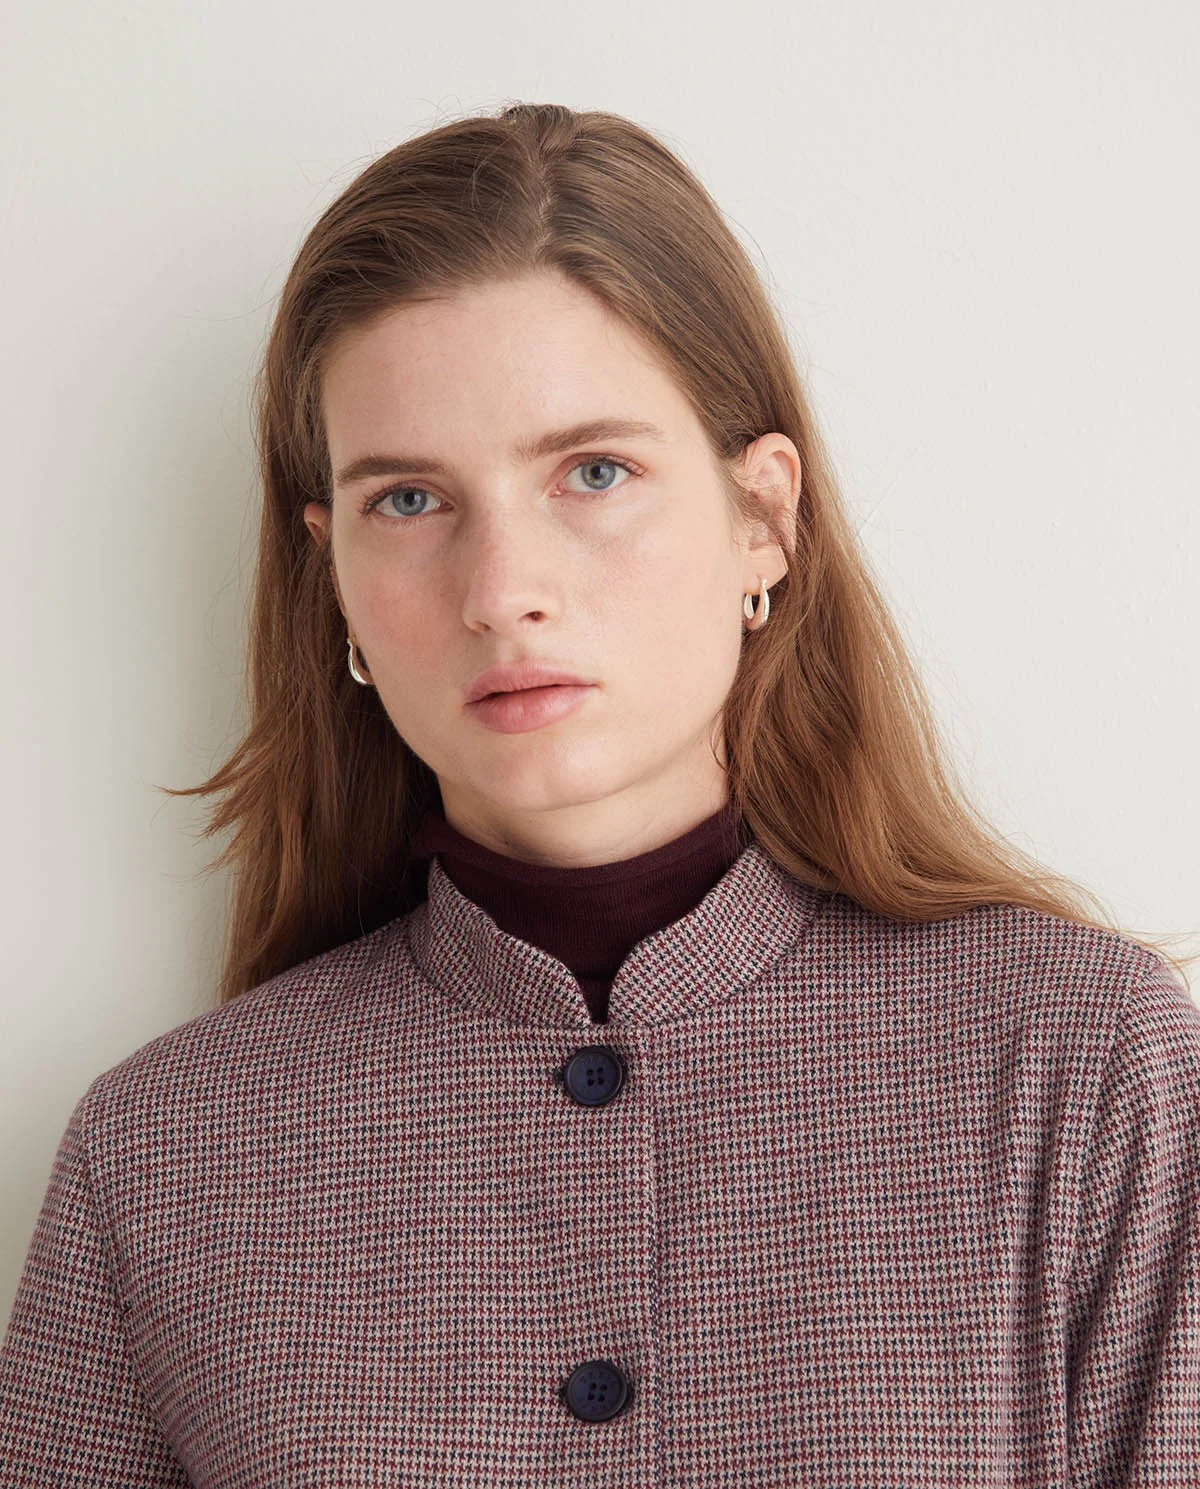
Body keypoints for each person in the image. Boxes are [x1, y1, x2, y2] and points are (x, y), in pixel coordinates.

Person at [1, 101, 1197, 1485]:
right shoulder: (163, 1160)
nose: (503, 590)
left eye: (594, 472)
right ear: (332, 577)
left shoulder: (1079, 1071)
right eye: (409, 500)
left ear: (764, 520)